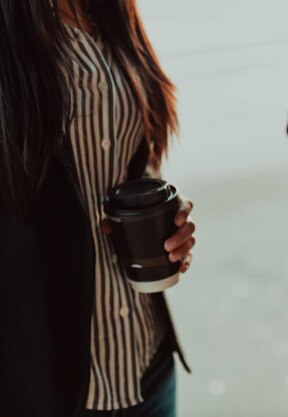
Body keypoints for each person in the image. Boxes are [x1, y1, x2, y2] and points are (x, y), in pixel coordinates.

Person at [0, 1, 196, 416]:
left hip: (144, 355)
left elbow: (129, 154)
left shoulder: (108, 12)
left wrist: (164, 213)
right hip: (51, 381)